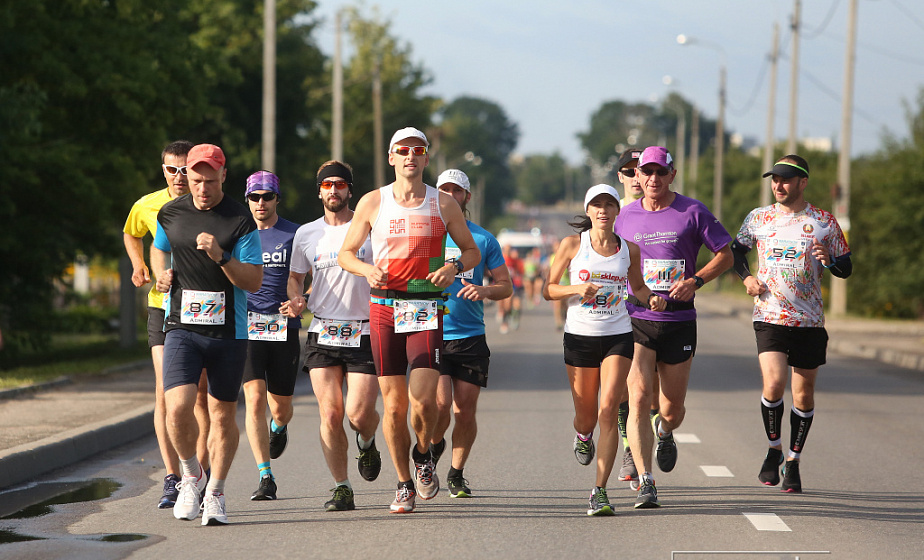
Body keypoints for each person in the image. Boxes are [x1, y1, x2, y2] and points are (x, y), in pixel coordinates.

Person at [338, 127, 480, 513]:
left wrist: (453, 267)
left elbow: (471, 252)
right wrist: (367, 270)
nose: (410, 157)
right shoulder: (372, 202)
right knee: (395, 405)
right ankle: (403, 484)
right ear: (391, 157)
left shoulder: (442, 203)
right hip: (384, 307)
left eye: (418, 151)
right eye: (402, 151)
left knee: (425, 402)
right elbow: (345, 255)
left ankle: (422, 454)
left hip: (424, 307)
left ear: (426, 158)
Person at [614, 146, 733, 509]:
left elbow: (725, 255)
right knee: (637, 397)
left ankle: (664, 432)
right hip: (637, 319)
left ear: (671, 174)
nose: (652, 179)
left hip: (679, 321)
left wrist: (695, 280)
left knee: (671, 409)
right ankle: (646, 479)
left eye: (659, 173)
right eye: (645, 173)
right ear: (637, 177)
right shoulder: (625, 216)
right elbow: (612, 258)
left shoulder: (692, 211)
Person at [151, 144, 263, 525]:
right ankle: (190, 474)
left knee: (221, 416)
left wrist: (222, 257)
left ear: (223, 177)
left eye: (209, 181)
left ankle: (215, 492)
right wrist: (160, 274)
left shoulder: (239, 220)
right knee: (178, 407)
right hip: (181, 325)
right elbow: (158, 248)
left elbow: (254, 280)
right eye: (195, 180)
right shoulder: (171, 213)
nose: (201, 188)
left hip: (228, 332)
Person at [732, 155, 852, 493]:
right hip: (769, 315)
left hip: (809, 320)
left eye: (785, 179)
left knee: (803, 393)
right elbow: (736, 252)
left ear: (803, 182)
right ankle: (773, 449)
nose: (778, 185)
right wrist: (747, 278)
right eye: (774, 179)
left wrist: (830, 263)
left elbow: (845, 267)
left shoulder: (824, 222)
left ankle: (794, 461)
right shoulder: (760, 217)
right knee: (773, 384)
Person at [545, 184, 665, 516]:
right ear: (588, 211)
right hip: (580, 336)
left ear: (617, 211)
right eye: (596, 205)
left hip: (618, 334)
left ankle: (599, 491)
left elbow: (637, 286)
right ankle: (583, 435)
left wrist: (650, 297)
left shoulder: (629, 249)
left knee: (609, 409)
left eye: (609, 205)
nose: (603, 210)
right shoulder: (572, 245)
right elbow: (548, 290)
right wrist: (575, 288)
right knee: (586, 416)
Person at [283, 160, 383, 512]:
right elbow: (296, 276)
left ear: (349, 190)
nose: (333, 190)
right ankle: (342, 487)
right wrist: (296, 298)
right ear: (320, 192)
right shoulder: (307, 234)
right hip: (323, 329)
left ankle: (367, 440)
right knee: (329, 414)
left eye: (340, 184)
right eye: (327, 185)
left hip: (365, 329)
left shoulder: (370, 226)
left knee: (358, 413)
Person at [122, 140, 211, 509]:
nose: (178, 177)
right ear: (163, 170)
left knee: (201, 396)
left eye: (183, 169)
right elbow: (131, 233)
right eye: (170, 170)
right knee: (165, 391)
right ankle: (175, 476)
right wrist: (138, 264)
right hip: (163, 308)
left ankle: (201, 473)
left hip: (205, 307)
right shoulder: (147, 204)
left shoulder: (208, 203)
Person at [430, 169, 512, 498]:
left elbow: (505, 285)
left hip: (470, 335)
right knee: (438, 405)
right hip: (430, 331)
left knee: (465, 409)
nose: (450, 195)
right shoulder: (424, 235)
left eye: (456, 191)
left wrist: (485, 291)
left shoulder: (482, 239)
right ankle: (433, 446)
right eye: (443, 190)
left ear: (466, 197)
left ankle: (456, 472)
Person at [238, 171, 301, 502]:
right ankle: (265, 476)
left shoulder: (294, 233)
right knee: (254, 398)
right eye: (254, 197)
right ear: (247, 199)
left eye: (267, 197)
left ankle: (279, 428)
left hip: (283, 327)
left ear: (277, 199)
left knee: (280, 407)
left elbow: (307, 276)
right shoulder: (237, 233)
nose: (260, 203)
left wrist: (300, 300)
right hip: (246, 325)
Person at [612, 147, 660, 490]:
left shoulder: (663, 209)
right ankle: (632, 452)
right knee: (628, 391)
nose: (636, 178)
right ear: (622, 177)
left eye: (639, 171)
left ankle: (663, 429)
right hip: (620, 312)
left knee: (654, 395)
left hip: (659, 312)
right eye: (629, 172)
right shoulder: (611, 214)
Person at [498, 245, 524, 333]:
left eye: (510, 250)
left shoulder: (515, 260)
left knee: (517, 304)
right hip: (503, 284)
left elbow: (520, 272)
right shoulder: (500, 259)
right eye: (507, 250)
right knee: (506, 305)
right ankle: (505, 321)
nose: (508, 251)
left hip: (515, 285)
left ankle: (515, 317)